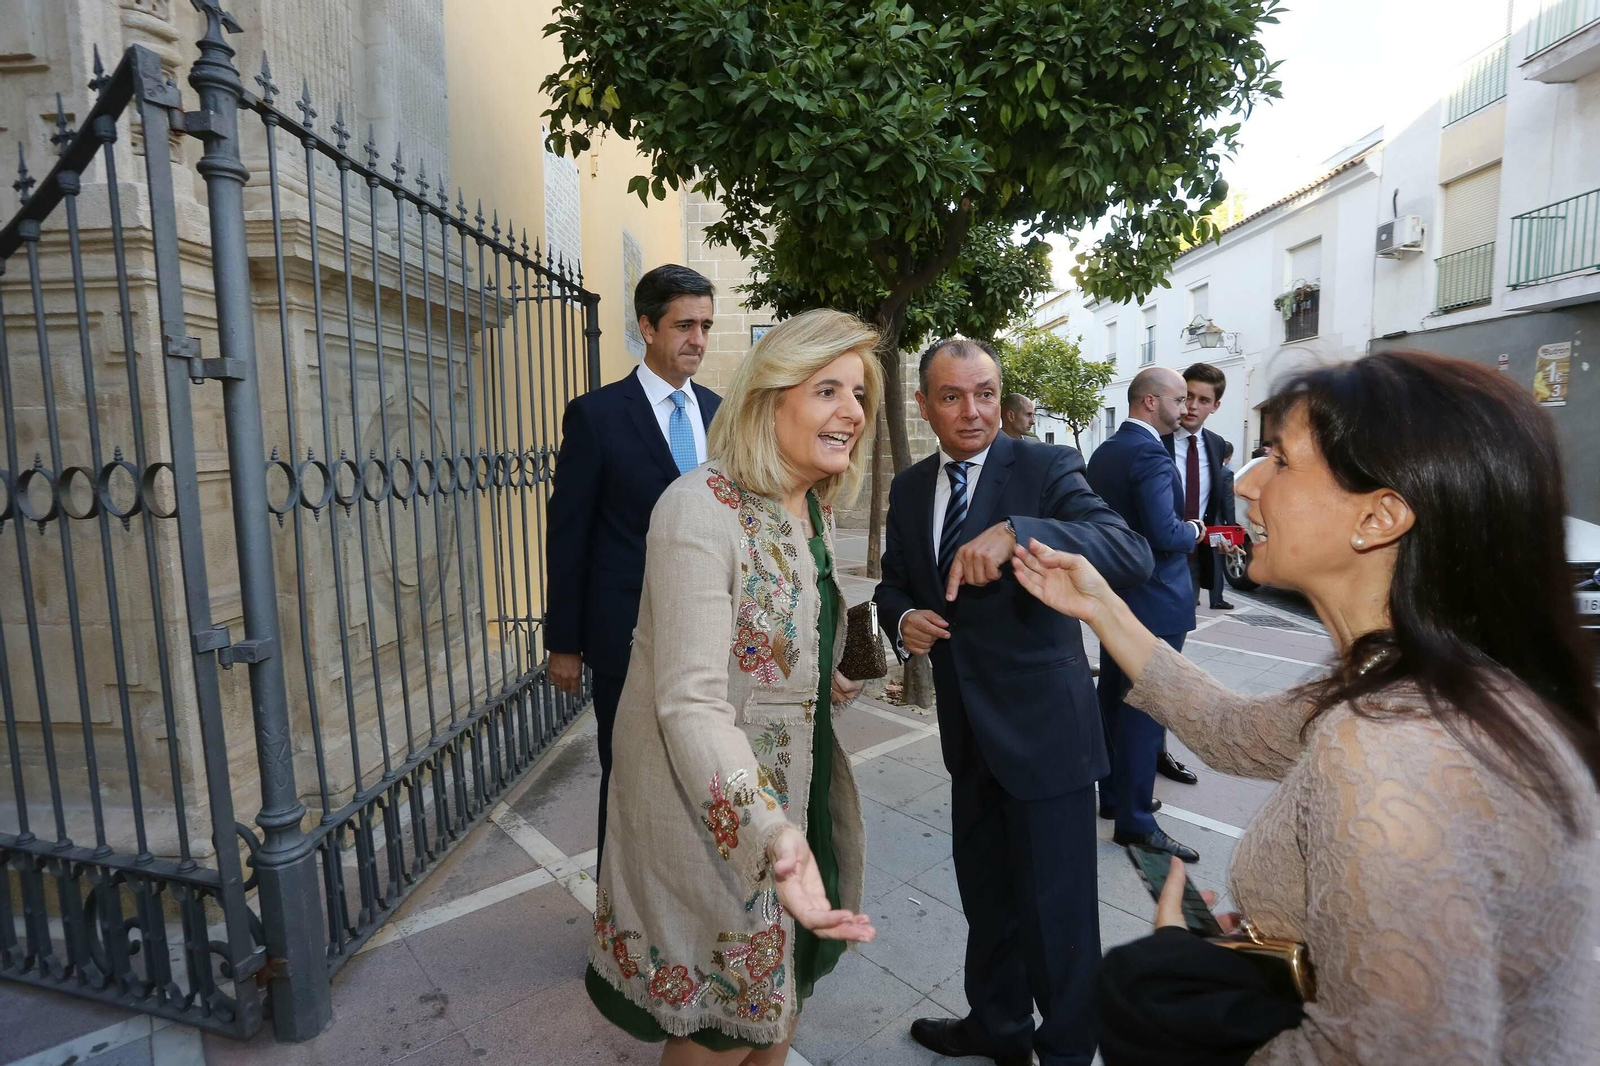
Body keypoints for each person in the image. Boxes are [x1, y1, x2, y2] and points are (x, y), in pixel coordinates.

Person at [1013, 349, 1600, 1064]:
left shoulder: (1392, 752)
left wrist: (1176, 997)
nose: (1248, 485)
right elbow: (1230, 731)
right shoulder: (1407, 678)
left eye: (1281, 462)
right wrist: (1099, 604)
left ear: (1379, 516)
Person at [587, 309, 884, 1066]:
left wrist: (836, 668)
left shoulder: (810, 505)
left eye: (859, 394)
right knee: (718, 1026)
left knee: (780, 998)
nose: (851, 410)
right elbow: (687, 700)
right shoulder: (697, 506)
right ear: (769, 397)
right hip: (719, 808)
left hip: (800, 789)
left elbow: (796, 624)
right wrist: (769, 833)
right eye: (828, 390)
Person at [875, 338, 1153, 1066]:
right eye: (953, 397)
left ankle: (1065, 1050)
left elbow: (1127, 549)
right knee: (988, 902)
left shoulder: (1046, 466)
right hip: (969, 735)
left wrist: (1017, 532)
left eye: (987, 394)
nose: (974, 412)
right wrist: (901, 619)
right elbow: (894, 582)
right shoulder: (909, 489)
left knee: (1058, 919)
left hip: (1048, 737)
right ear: (924, 404)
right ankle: (996, 1029)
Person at [545, 264, 719, 869]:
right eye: (683, 325)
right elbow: (568, 536)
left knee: (705, 777)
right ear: (647, 327)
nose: (697, 339)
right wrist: (563, 642)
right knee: (628, 776)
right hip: (625, 637)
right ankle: (619, 921)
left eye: (705, 325)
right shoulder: (596, 415)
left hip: (708, 636)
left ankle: (687, 913)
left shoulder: (721, 415)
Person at [1085, 367, 1204, 863]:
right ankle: (1135, 820)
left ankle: (1113, 796)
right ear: (1150, 402)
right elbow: (1165, 533)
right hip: (1157, 601)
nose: (1187, 409)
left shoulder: (1105, 452)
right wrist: (1196, 530)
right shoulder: (1152, 455)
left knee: (1114, 697)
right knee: (1147, 709)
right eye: (1179, 400)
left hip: (1117, 598)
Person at [1163, 362, 1232, 615]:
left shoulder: (1215, 444)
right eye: (1188, 396)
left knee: (1177, 638)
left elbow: (1207, 505)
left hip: (1192, 560)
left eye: (1204, 400)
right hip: (1152, 558)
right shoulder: (1156, 439)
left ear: (1215, 406)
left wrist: (1221, 538)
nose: (1192, 406)